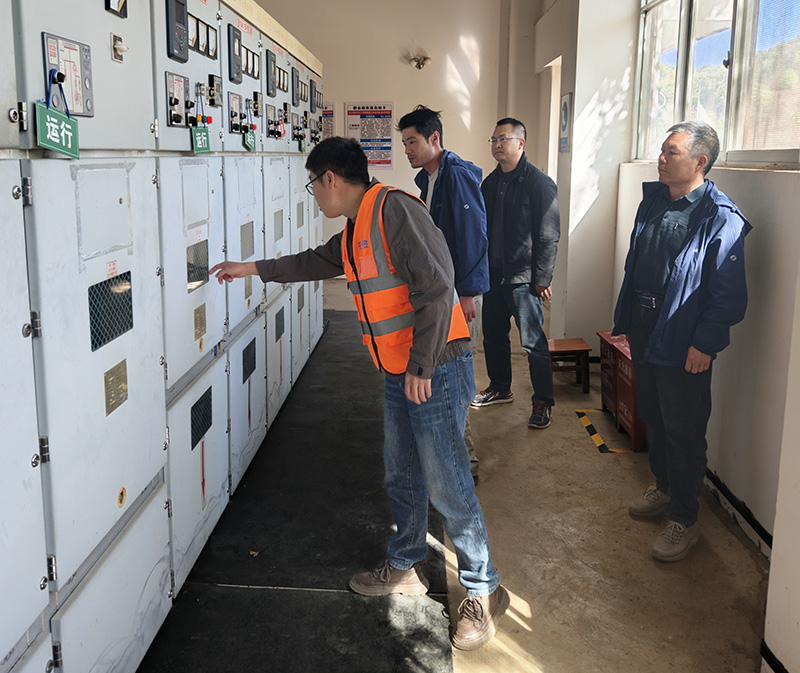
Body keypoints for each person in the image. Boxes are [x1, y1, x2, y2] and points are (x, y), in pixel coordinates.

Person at [209, 137, 508, 650]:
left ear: (330, 178)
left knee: (447, 480)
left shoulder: (395, 211)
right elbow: (313, 262)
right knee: (401, 471)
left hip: (434, 365)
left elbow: (439, 287)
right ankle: (406, 564)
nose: (313, 196)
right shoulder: (356, 227)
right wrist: (251, 268)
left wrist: (421, 365)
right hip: (400, 369)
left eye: (312, 185)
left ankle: (484, 588)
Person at [613, 121, 751, 562]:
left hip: (682, 335)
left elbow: (727, 294)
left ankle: (684, 519)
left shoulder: (719, 216)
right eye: (662, 150)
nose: (661, 159)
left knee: (684, 428)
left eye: (671, 152)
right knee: (653, 415)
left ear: (700, 162)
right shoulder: (654, 199)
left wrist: (704, 344)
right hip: (644, 324)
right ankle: (665, 486)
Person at [397, 105, 489, 482]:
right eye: (404, 143)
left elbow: (473, 237)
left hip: (458, 293)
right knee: (441, 371)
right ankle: (450, 456)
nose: (407, 150)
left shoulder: (456, 176)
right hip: (443, 291)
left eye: (412, 142)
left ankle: (465, 465)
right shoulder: (430, 178)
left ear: (434, 138)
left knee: (453, 375)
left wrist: (467, 293)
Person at [471, 117, 560, 430]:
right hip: (493, 276)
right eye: (493, 140)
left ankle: (543, 400)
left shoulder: (539, 183)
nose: (497, 145)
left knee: (533, 344)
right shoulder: (490, 183)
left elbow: (548, 235)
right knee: (493, 337)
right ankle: (500, 387)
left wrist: (542, 278)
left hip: (523, 279)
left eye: (503, 139)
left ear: (520, 143)